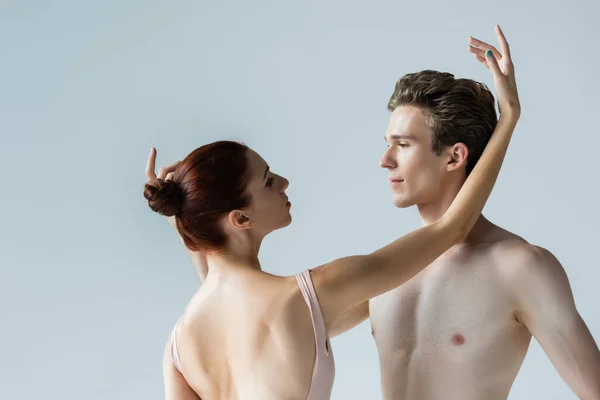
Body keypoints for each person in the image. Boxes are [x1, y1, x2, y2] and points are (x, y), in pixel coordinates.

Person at [145, 26, 519, 400]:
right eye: (269, 182)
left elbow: (223, 290)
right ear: (240, 219)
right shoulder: (308, 298)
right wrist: (509, 118)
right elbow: (451, 229)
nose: (285, 182)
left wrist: (182, 215)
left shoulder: (179, 346)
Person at [332, 26, 600, 399]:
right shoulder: (386, 270)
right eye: (387, 144)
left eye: (403, 145)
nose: (384, 161)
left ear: (455, 156)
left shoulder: (520, 267)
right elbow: (292, 329)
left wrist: (510, 115)